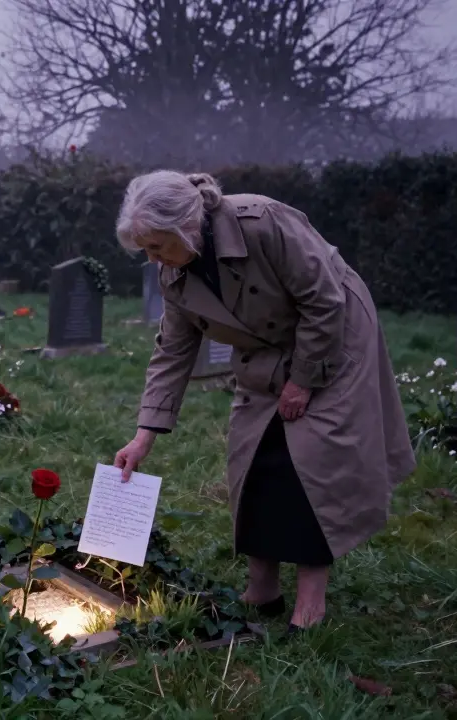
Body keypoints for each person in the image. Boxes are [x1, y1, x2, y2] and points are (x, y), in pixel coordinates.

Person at [111, 170, 416, 633]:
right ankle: (262, 587)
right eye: (146, 250)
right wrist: (144, 436)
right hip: (265, 355)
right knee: (251, 461)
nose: (153, 260)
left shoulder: (262, 222)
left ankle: (311, 602)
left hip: (332, 336)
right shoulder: (174, 271)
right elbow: (173, 351)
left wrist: (304, 380)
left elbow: (323, 299)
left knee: (313, 463)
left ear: (186, 228)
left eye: (156, 246)